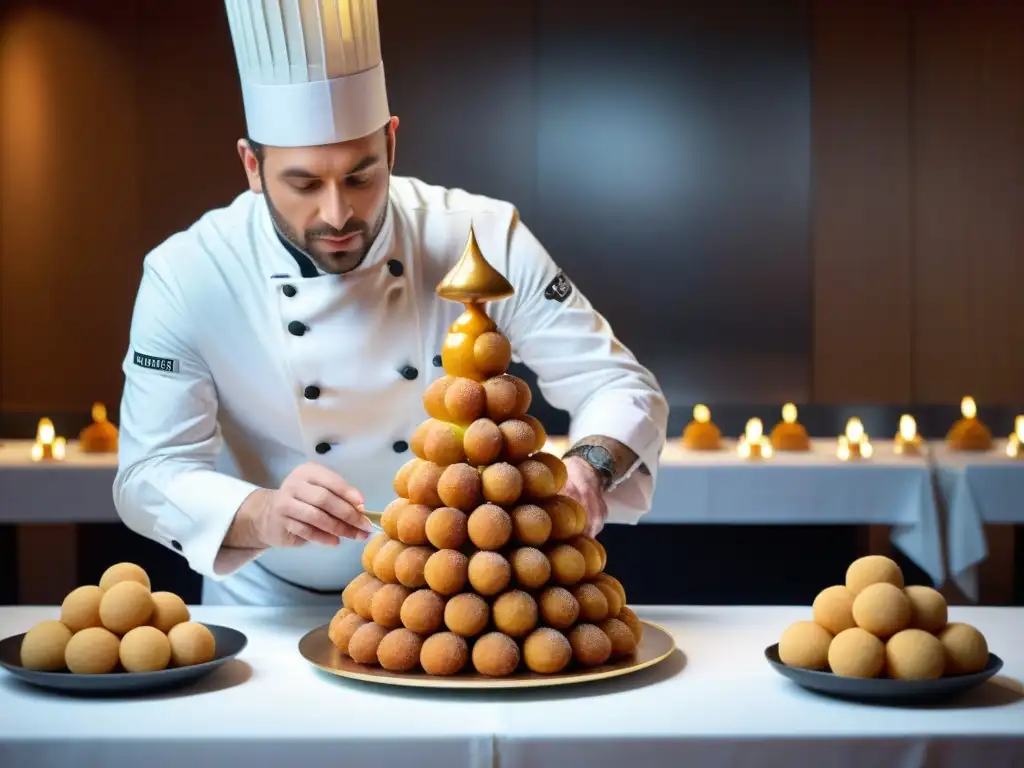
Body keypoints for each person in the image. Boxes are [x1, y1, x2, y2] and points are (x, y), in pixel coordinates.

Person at [113, 0, 669, 606]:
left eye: (360, 176)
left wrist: (588, 467)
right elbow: (148, 474)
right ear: (252, 165)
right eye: (303, 184)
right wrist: (263, 510)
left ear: (392, 143)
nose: (337, 214)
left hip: (452, 609)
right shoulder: (188, 273)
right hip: (271, 607)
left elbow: (618, 386)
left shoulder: (480, 236)